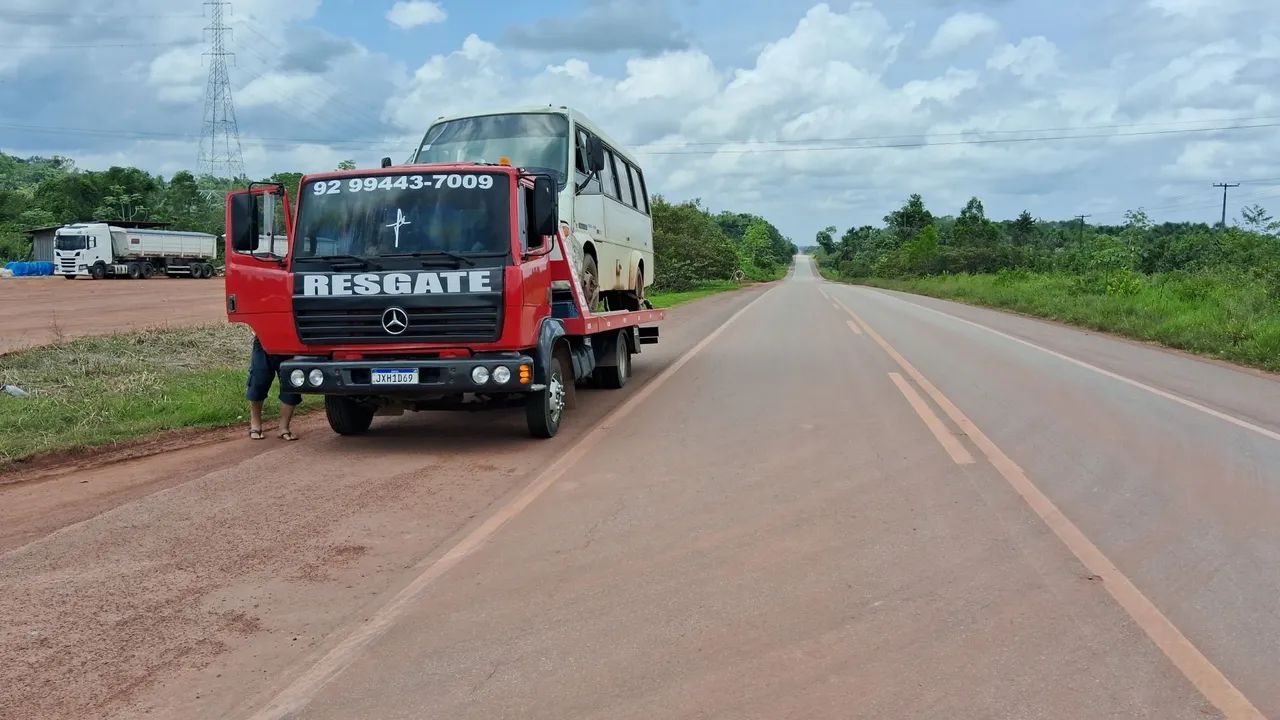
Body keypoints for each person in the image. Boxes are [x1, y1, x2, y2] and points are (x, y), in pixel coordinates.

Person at [246, 335, 301, 441]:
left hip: (291, 340)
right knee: (258, 379)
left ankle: (284, 428)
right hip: (264, 338)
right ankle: (255, 424)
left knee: (291, 381)